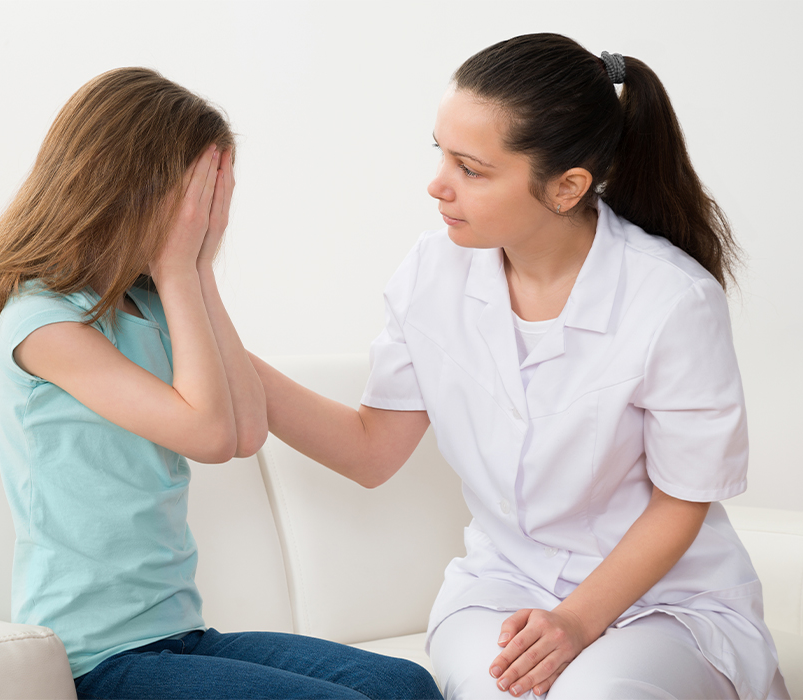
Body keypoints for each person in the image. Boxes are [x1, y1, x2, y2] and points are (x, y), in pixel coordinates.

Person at [249, 34, 790, 699]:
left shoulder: (672, 300)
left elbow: (682, 500)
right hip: (503, 587)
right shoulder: (431, 273)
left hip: (662, 601)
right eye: (440, 152)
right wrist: (227, 357)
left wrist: (575, 621)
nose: (437, 184)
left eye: (471, 169)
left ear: (566, 188)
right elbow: (372, 450)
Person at [0, 67, 443, 700]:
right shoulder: (43, 320)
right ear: (127, 186)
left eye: (220, 195)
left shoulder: (154, 307)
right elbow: (209, 436)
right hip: (96, 659)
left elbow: (245, 430)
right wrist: (182, 269)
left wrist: (199, 272)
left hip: (180, 635)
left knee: (402, 685)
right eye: (200, 197)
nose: (213, 215)